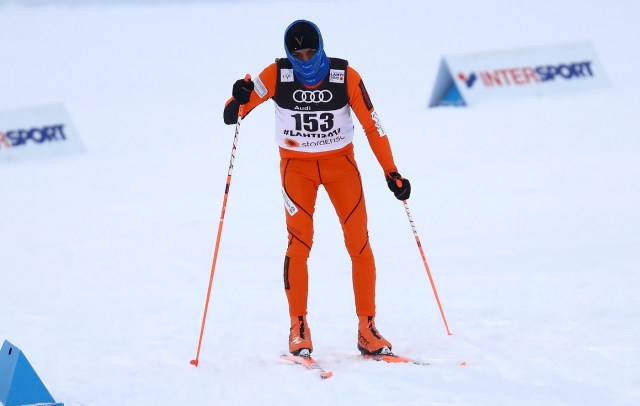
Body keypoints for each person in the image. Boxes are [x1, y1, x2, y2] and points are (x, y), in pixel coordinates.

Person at [223, 19, 411, 357]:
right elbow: (233, 114)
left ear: (321, 48)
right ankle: (298, 327)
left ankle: (367, 328)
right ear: (289, 55)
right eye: (299, 54)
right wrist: (239, 95)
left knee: (359, 242)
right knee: (299, 243)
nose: (306, 60)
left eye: (311, 52)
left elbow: (373, 125)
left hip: (342, 166)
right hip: (297, 169)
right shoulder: (277, 75)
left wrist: (391, 171)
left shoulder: (345, 75)